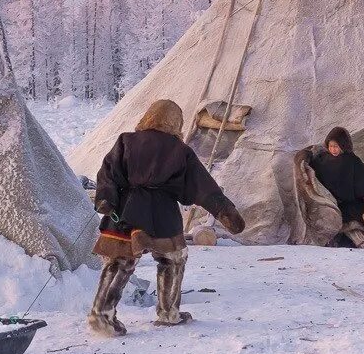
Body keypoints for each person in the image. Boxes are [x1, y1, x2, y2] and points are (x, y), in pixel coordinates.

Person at [88, 99, 246, 337]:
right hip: (161, 214)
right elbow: (202, 185)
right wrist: (224, 210)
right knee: (173, 259)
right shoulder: (179, 150)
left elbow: (108, 172)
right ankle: (169, 312)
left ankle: (102, 314)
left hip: (125, 210)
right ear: (176, 123)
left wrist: (105, 199)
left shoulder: (126, 141)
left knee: (119, 261)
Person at [307, 126, 364, 249]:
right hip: (330, 204)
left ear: (343, 145)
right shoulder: (322, 161)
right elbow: (311, 171)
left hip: (350, 204)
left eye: (336, 146)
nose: (333, 149)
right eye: (331, 146)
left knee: (353, 220)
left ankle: (362, 244)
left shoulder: (352, 162)